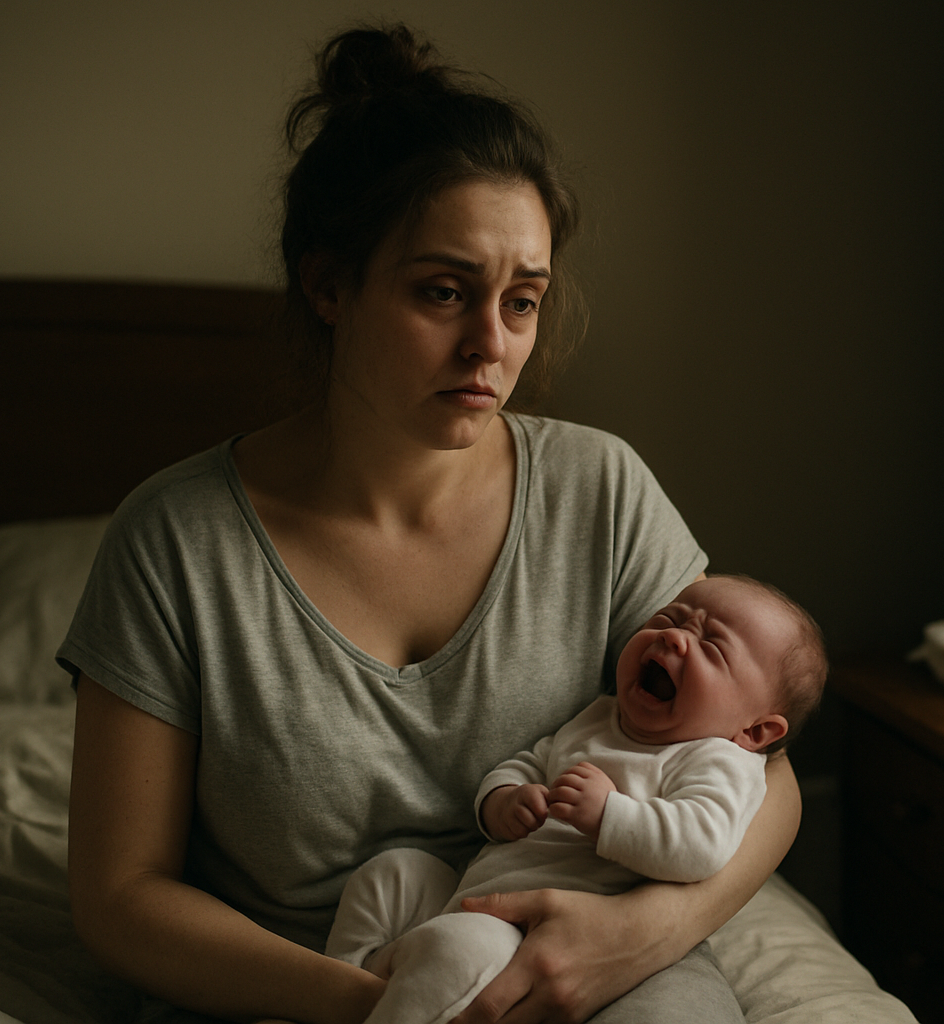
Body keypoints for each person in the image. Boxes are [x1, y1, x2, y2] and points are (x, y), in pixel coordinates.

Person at [59, 23, 802, 1024]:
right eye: (443, 292)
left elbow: (764, 767)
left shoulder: (601, 489)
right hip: (296, 981)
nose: (490, 346)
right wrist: (382, 1004)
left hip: (585, 953)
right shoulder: (176, 542)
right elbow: (120, 898)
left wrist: (637, 936)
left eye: (523, 301)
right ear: (329, 285)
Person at [323, 575, 827, 1024]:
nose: (675, 636)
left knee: (458, 951)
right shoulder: (601, 716)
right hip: (470, 894)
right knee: (393, 874)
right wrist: (503, 800)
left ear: (756, 730)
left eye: (712, 648)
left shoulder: (719, 762)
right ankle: (338, 986)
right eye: (669, 620)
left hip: (544, 932)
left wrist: (611, 815)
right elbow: (533, 760)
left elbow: (702, 846)